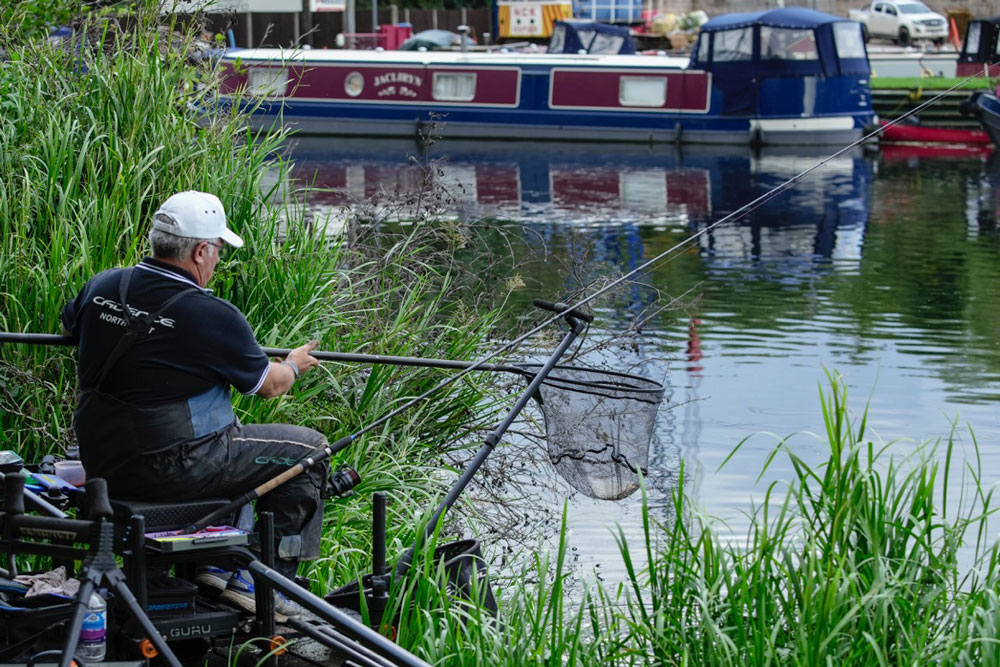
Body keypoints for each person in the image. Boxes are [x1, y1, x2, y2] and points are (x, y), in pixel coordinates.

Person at [60, 191, 329, 620]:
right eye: (219, 250)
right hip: (172, 468)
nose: (218, 259)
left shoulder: (105, 284)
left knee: (230, 426)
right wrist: (294, 364)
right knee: (311, 451)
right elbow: (270, 386)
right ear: (201, 251)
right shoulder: (212, 314)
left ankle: (215, 564)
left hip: (105, 461)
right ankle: (266, 581)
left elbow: (71, 324)